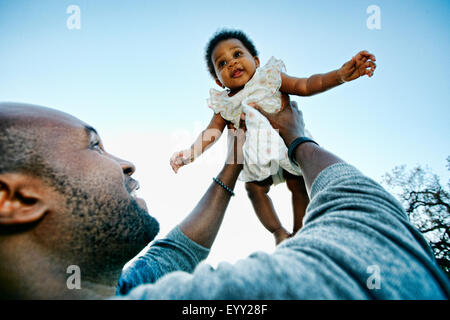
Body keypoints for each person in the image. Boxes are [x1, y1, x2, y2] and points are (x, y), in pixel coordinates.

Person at [0, 102, 244, 299]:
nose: (128, 165)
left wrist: (233, 164)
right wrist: (284, 132)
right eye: (95, 146)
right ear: (15, 199)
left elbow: (176, 254)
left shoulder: (122, 290)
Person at [170, 29, 377, 244]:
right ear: (218, 82)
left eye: (237, 54)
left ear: (256, 61)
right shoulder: (224, 103)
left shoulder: (269, 78)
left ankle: (300, 230)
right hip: (255, 156)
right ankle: (278, 231)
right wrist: (190, 154)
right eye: (222, 63)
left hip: (284, 144)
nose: (231, 63)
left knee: (297, 183)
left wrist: (339, 76)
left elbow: (305, 85)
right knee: (254, 189)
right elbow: (210, 133)